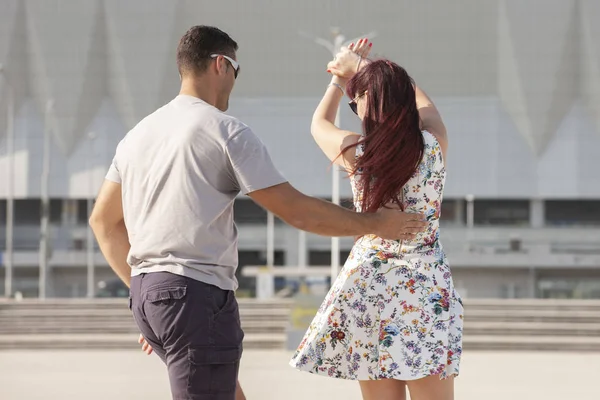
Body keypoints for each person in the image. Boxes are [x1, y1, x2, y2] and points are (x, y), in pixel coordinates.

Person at [89, 26, 429, 400]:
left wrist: (153, 295)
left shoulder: (138, 134)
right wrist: (375, 223)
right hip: (194, 296)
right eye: (237, 69)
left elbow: (102, 222)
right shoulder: (225, 131)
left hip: (150, 294)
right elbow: (298, 212)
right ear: (221, 64)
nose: (235, 79)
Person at [289, 40, 464, 400]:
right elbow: (427, 106)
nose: (355, 108)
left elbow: (318, 123)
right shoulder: (433, 145)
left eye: (358, 103)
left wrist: (339, 81)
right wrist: (366, 66)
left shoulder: (359, 155)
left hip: (369, 285)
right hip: (424, 287)